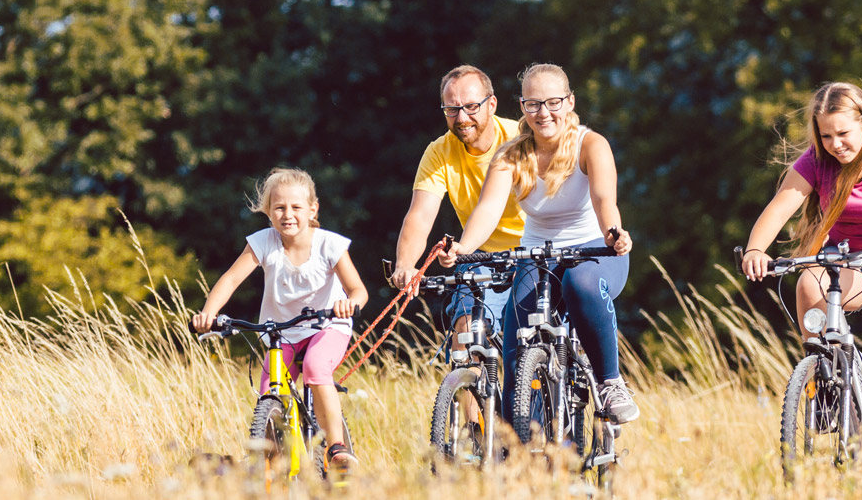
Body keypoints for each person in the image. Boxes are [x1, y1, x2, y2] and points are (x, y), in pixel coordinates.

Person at [738, 82, 862, 450]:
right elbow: (780, 206)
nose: (836, 144)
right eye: (826, 135)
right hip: (849, 263)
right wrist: (755, 249)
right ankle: (830, 383)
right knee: (808, 285)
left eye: (843, 133)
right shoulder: (816, 163)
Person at [442, 63, 640, 423]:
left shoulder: (590, 144)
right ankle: (520, 447)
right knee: (517, 343)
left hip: (594, 250)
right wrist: (462, 248)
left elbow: (603, 200)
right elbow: (487, 210)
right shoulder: (511, 155)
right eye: (533, 104)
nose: (544, 113)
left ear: (570, 101)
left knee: (579, 284)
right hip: (537, 255)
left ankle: (610, 382)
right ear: (521, 107)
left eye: (553, 102)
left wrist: (614, 232)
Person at [192, 167, 368, 471]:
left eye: (296, 207)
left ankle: (336, 448)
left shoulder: (329, 245)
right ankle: (269, 467)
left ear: (313, 209)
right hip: (281, 332)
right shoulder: (263, 242)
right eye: (279, 207)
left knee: (315, 367)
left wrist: (348, 304)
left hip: (327, 325)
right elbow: (231, 280)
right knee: (270, 393)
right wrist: (210, 312)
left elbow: (358, 290)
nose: (288, 214)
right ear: (268, 212)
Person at [390, 65, 528, 352]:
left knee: (533, 336)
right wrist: (405, 264)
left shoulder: (520, 138)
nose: (462, 118)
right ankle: (469, 390)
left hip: (534, 251)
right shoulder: (439, 152)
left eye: (470, 106)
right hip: (479, 255)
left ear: (491, 104)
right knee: (466, 330)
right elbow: (420, 215)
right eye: (451, 109)